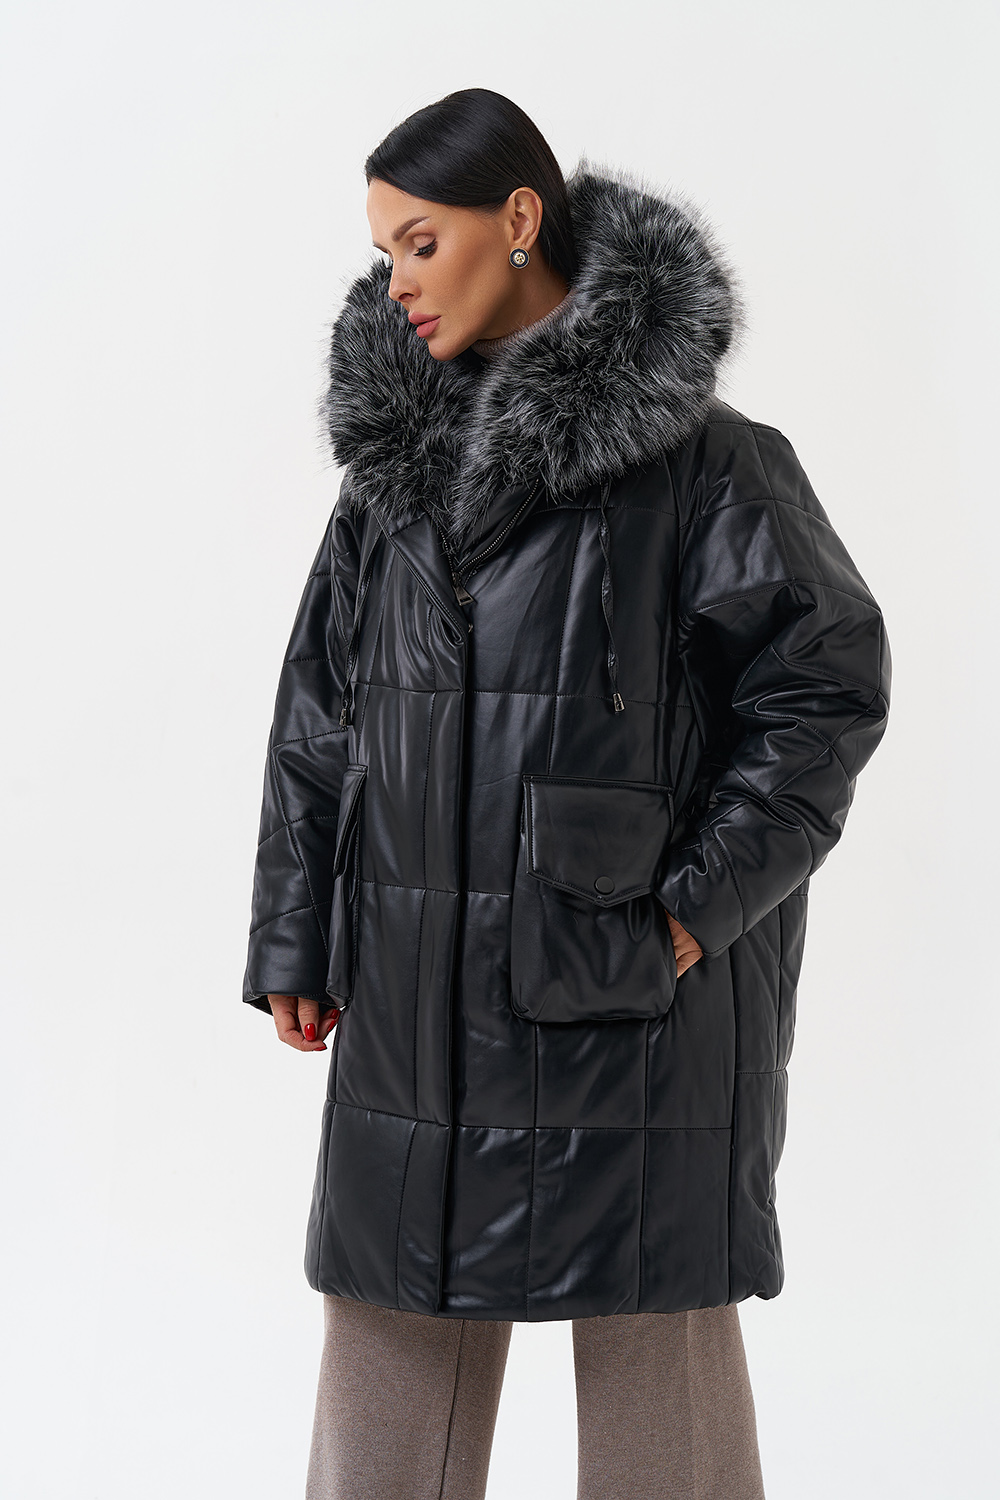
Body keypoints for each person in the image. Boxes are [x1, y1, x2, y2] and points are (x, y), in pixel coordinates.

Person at [242, 88, 890, 1500]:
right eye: (384, 252)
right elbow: (319, 709)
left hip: (627, 986)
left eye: (421, 243)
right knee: (388, 1328)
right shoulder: (388, 482)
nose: (396, 281)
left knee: (655, 1343)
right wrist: (297, 936)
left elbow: (824, 692)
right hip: (411, 990)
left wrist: (690, 914)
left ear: (519, 220)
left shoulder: (710, 463)